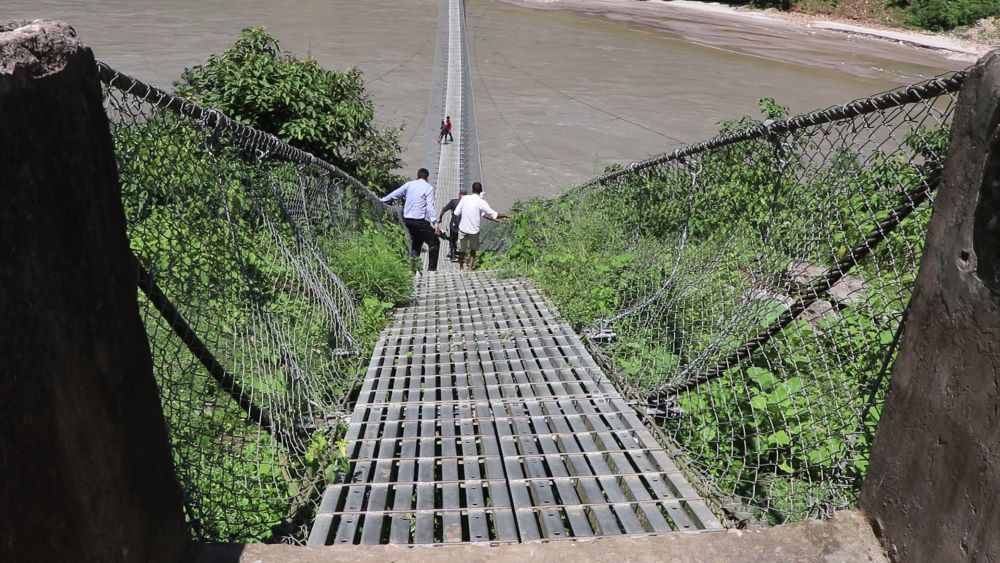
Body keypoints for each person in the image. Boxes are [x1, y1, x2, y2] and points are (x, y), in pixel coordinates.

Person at [380, 168, 442, 271]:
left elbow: (395, 194)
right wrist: (435, 224)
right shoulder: (428, 188)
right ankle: (431, 270)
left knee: (416, 242)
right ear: (427, 178)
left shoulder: (409, 184)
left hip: (407, 221)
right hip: (419, 221)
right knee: (434, 242)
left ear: (417, 176)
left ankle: (413, 268)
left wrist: (383, 200)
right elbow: (430, 207)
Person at [453, 182, 510, 271]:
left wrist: (457, 224)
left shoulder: (464, 199)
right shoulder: (481, 202)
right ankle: (470, 267)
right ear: (480, 191)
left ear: (472, 189)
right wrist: (505, 215)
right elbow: (494, 214)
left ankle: (460, 267)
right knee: (473, 249)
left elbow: (456, 213)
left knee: (461, 249)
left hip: (463, 229)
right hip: (474, 230)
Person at [437, 188, 468, 262]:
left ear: (459, 194)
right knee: (462, 239)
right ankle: (461, 254)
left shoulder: (453, 202)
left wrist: (440, 218)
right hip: (464, 225)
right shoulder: (468, 203)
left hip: (454, 224)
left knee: (452, 238)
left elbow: (443, 210)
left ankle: (453, 254)